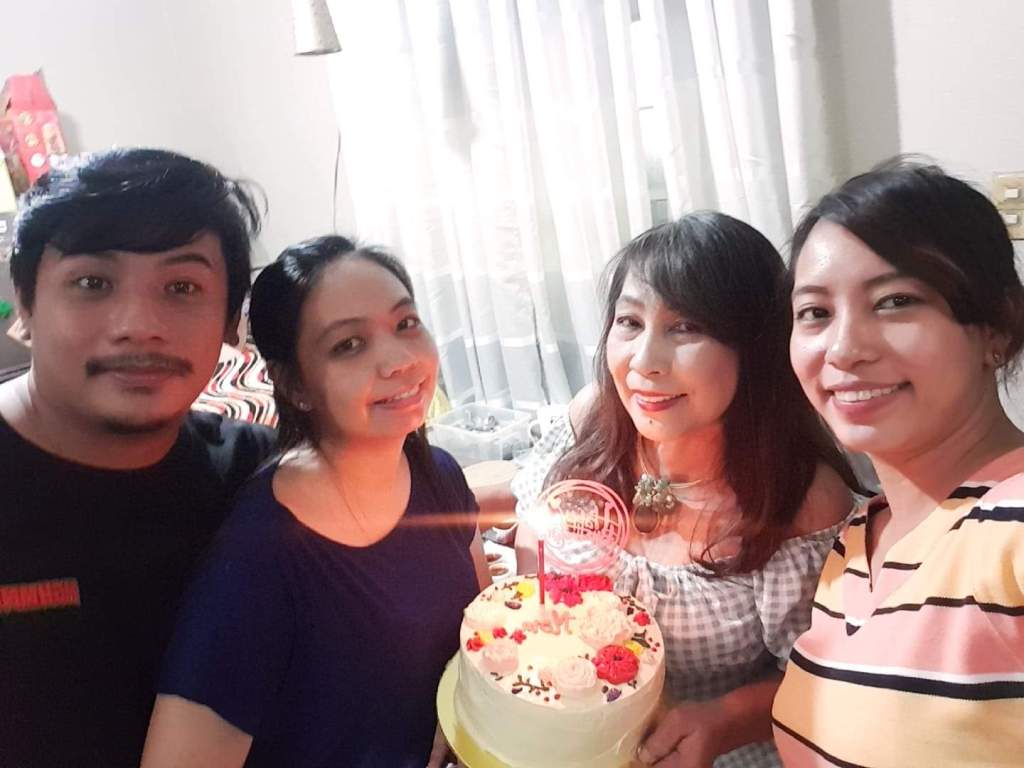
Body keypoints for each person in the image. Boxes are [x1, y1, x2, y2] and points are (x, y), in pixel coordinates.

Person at [513, 212, 859, 768]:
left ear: (756, 346)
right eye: (630, 323)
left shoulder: (800, 501)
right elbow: (536, 531)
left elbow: (826, 673)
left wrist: (725, 718)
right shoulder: (593, 421)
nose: (644, 362)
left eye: (685, 328)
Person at [141, 235, 489, 768]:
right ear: (295, 385)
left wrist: (462, 709)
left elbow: (481, 633)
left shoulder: (438, 474)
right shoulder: (259, 560)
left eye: (405, 323)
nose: (399, 360)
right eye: (349, 345)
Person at [0, 148, 275, 768]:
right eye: (92, 283)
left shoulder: (260, 477)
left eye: (182, 287)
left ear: (230, 322)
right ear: (26, 303)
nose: (139, 325)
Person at [774, 160, 1024, 765]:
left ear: (997, 327)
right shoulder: (862, 536)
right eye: (815, 312)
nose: (844, 348)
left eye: (894, 301)